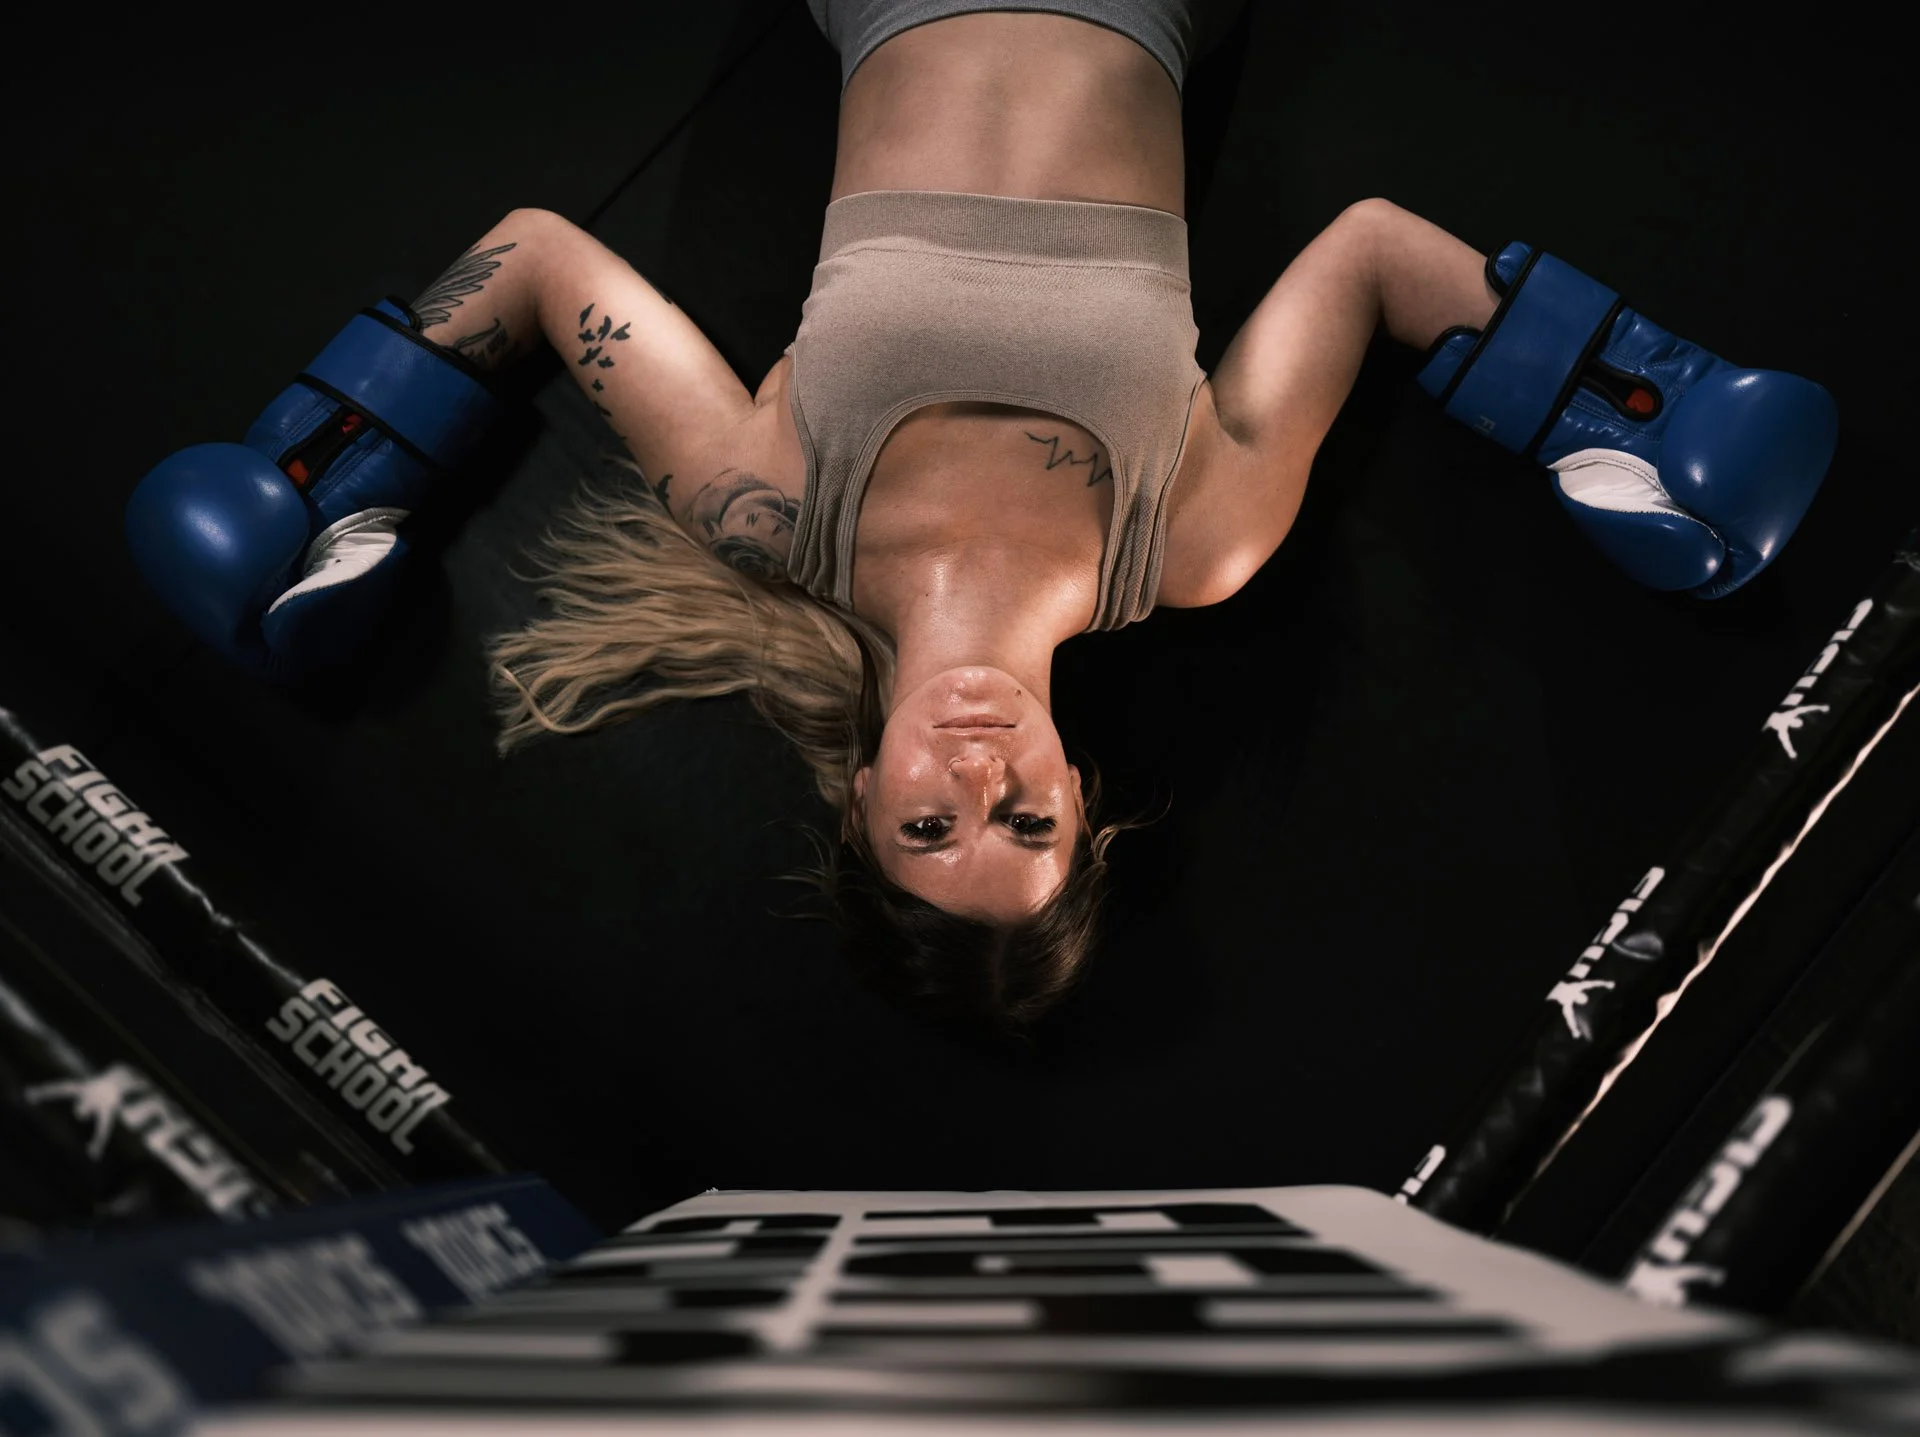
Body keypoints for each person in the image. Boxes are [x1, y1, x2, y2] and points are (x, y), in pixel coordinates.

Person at [123, 2, 1837, 1031]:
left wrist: (339, 467)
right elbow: (1384, 253)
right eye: (1025, 831)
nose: (979, 784)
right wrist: (1619, 400)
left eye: (928, 834)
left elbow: (537, 260)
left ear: (858, 800)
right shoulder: (1196, 541)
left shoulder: (769, 509)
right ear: (1082, 802)